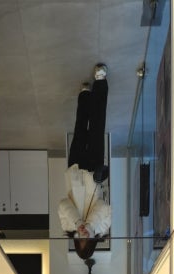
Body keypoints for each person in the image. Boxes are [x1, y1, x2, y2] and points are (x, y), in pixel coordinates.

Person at [58, 64, 112, 249]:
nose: (84, 236)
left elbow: (63, 205)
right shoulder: (102, 228)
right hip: (93, 172)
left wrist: (77, 222)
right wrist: (90, 225)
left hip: (74, 171)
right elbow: (104, 207)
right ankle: (101, 82)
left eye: (80, 240)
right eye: (87, 240)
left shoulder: (68, 227)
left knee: (80, 128)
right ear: (92, 242)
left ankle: (85, 95)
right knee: (97, 126)